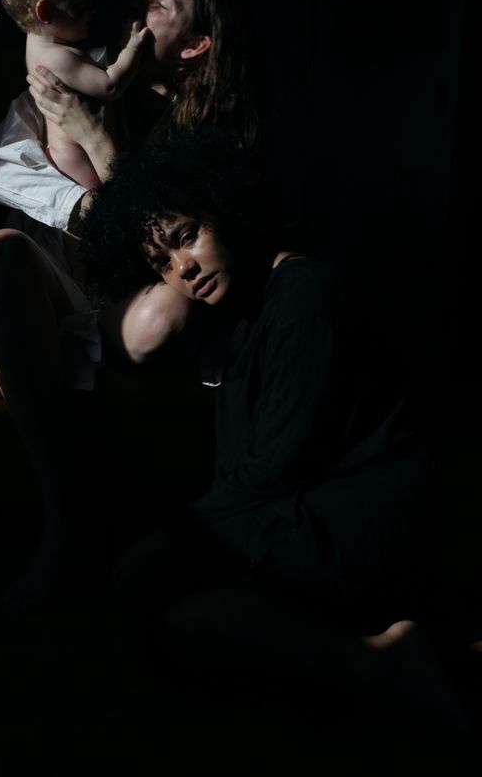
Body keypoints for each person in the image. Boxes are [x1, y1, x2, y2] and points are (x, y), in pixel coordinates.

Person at [77, 130, 475, 733]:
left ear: (226, 208)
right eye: (162, 263)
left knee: (178, 613)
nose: (183, 268)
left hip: (368, 517)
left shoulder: (304, 295)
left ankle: (389, 661)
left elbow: (273, 471)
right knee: (179, 620)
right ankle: (375, 658)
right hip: (303, 513)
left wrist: (171, 543)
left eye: (187, 236)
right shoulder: (243, 313)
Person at [0, 0, 260, 613]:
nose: (139, 1)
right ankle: (62, 513)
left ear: (195, 45)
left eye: (162, 3)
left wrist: (99, 142)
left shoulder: (211, 129)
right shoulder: (79, 69)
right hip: (55, 284)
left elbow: (170, 242)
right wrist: (83, 205)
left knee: (170, 317)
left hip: (128, 307)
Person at [0, 0, 149, 188]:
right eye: (81, 4)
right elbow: (110, 85)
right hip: (79, 163)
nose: (92, 11)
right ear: (44, 12)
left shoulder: (37, 46)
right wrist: (132, 47)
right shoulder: (57, 57)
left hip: (70, 156)